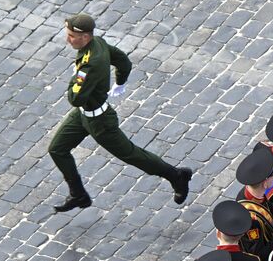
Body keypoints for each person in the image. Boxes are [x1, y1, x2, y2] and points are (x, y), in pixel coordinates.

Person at [48, 12, 192, 211]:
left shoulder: (90, 65)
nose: (68, 39)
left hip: (99, 121)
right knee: (57, 149)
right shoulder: (97, 43)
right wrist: (120, 82)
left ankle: (176, 175)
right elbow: (123, 61)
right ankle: (78, 194)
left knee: (131, 155)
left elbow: (75, 98)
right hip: (83, 115)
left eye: (72, 36)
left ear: (85, 37)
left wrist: (75, 78)